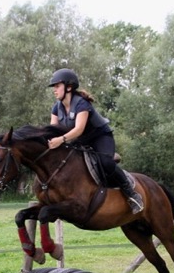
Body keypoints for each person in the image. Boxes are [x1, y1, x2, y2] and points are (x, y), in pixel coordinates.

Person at [46, 68, 144, 214]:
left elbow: (79, 129)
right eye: (54, 86)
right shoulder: (56, 107)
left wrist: (60, 139)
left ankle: (132, 194)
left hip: (100, 137)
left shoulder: (81, 104)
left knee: (105, 163)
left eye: (57, 86)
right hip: (80, 140)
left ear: (69, 87)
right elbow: (53, 129)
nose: (54, 89)